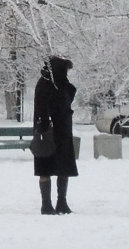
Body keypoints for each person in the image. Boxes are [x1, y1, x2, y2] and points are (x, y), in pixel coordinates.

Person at [33, 56, 78, 214]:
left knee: (63, 168)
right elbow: (43, 108)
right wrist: (45, 124)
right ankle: (46, 204)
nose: (66, 73)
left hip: (61, 132)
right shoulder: (46, 85)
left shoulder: (60, 84)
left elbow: (67, 98)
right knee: (46, 168)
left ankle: (61, 202)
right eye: (65, 70)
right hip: (47, 133)